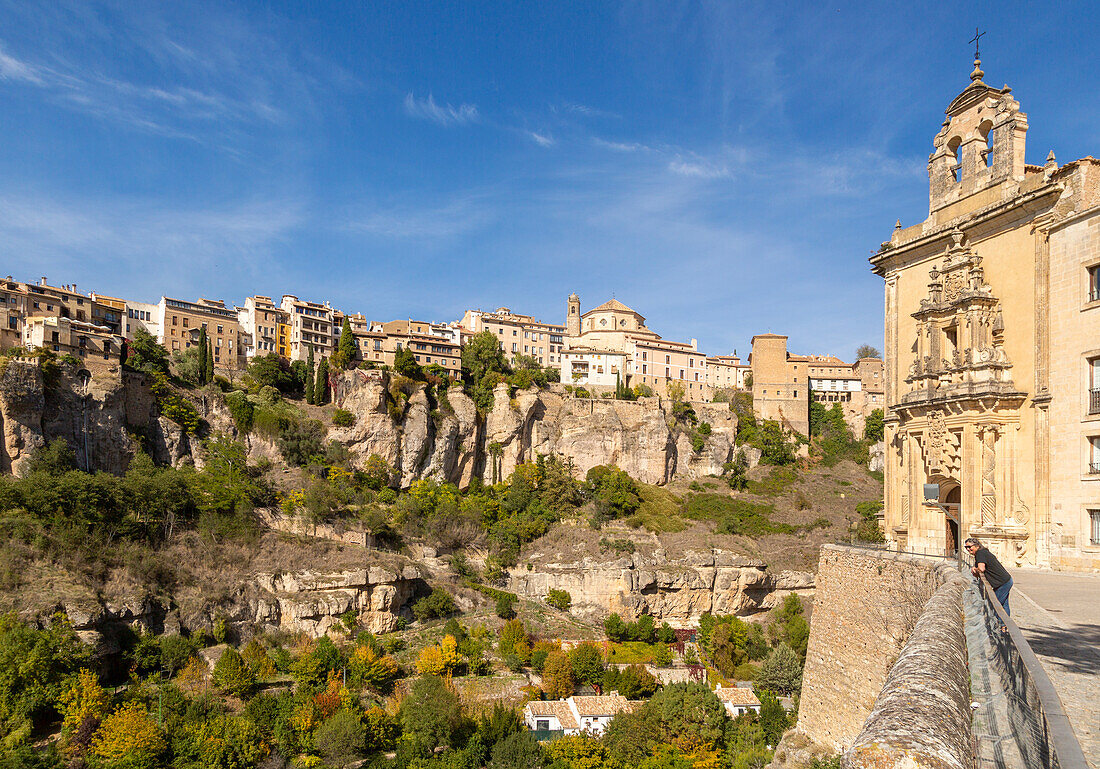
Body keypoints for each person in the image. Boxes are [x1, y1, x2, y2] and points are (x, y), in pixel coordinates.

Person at [966, 537, 1013, 615]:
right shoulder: (982, 552)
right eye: (966, 547)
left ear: (977, 546)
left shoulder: (980, 553)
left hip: (1002, 583)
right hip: (1004, 581)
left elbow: (981, 568)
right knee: (1004, 604)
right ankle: (1004, 626)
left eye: (969, 547)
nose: (968, 549)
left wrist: (974, 569)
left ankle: (999, 625)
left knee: (995, 605)